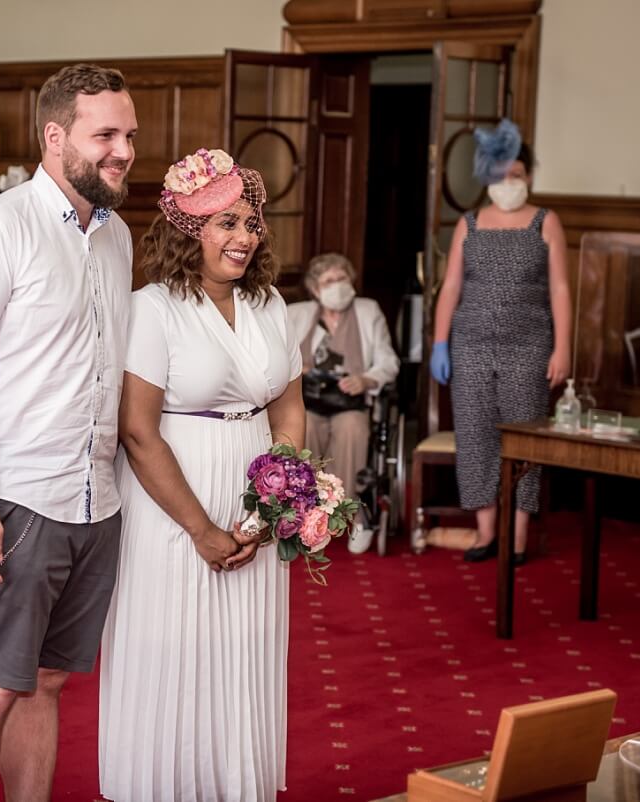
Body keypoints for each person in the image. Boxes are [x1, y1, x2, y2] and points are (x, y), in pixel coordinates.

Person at [0, 63, 137, 802]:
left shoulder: (117, 238)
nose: (123, 150)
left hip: (93, 502)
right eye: (104, 134)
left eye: (129, 135)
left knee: (45, 683)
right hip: (13, 501)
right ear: (55, 137)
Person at [98, 148, 304, 802]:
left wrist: (272, 504)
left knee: (244, 653)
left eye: (251, 223)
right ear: (190, 231)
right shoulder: (153, 308)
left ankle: (236, 785)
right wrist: (202, 528)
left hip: (251, 498)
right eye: (226, 224)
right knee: (174, 653)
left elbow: (289, 409)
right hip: (172, 507)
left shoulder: (271, 303)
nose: (245, 238)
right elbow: (137, 429)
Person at [430, 120, 572, 565]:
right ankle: (486, 532)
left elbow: (562, 290)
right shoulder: (468, 224)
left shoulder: (547, 222)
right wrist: (440, 342)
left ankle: (517, 537)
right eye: (500, 175)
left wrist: (563, 347)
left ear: (529, 175)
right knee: (474, 438)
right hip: (470, 347)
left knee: (523, 443)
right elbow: (450, 287)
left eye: (517, 175)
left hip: (528, 348)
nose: (508, 183)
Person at [287, 252, 399, 554]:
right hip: (308, 400)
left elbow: (389, 361)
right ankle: (305, 516)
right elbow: (278, 361)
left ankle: (354, 514)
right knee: (302, 429)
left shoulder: (367, 310)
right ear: (314, 288)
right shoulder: (296, 313)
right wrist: (300, 370)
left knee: (351, 430)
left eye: (342, 278)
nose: (337, 286)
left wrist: (367, 379)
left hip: (350, 402)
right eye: (329, 281)